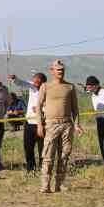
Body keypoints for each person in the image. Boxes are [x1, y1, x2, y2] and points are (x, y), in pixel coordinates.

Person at [36, 61, 81, 193]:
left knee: (64, 155)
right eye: (58, 70)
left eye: (62, 69)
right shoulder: (45, 86)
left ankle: (60, 184)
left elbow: (75, 108)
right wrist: (39, 124)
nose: (60, 72)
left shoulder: (70, 87)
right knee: (48, 155)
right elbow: (38, 106)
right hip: (51, 124)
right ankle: (45, 185)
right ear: (52, 71)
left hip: (67, 124)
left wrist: (77, 124)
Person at [11, 73, 45, 172]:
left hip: (42, 123)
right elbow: (21, 83)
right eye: (34, 81)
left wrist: (41, 109)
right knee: (28, 147)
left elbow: (51, 105)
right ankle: (31, 168)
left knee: (42, 148)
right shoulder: (32, 87)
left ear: (42, 82)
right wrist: (15, 78)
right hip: (30, 122)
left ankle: (43, 167)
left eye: (37, 82)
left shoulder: (47, 90)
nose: (34, 83)